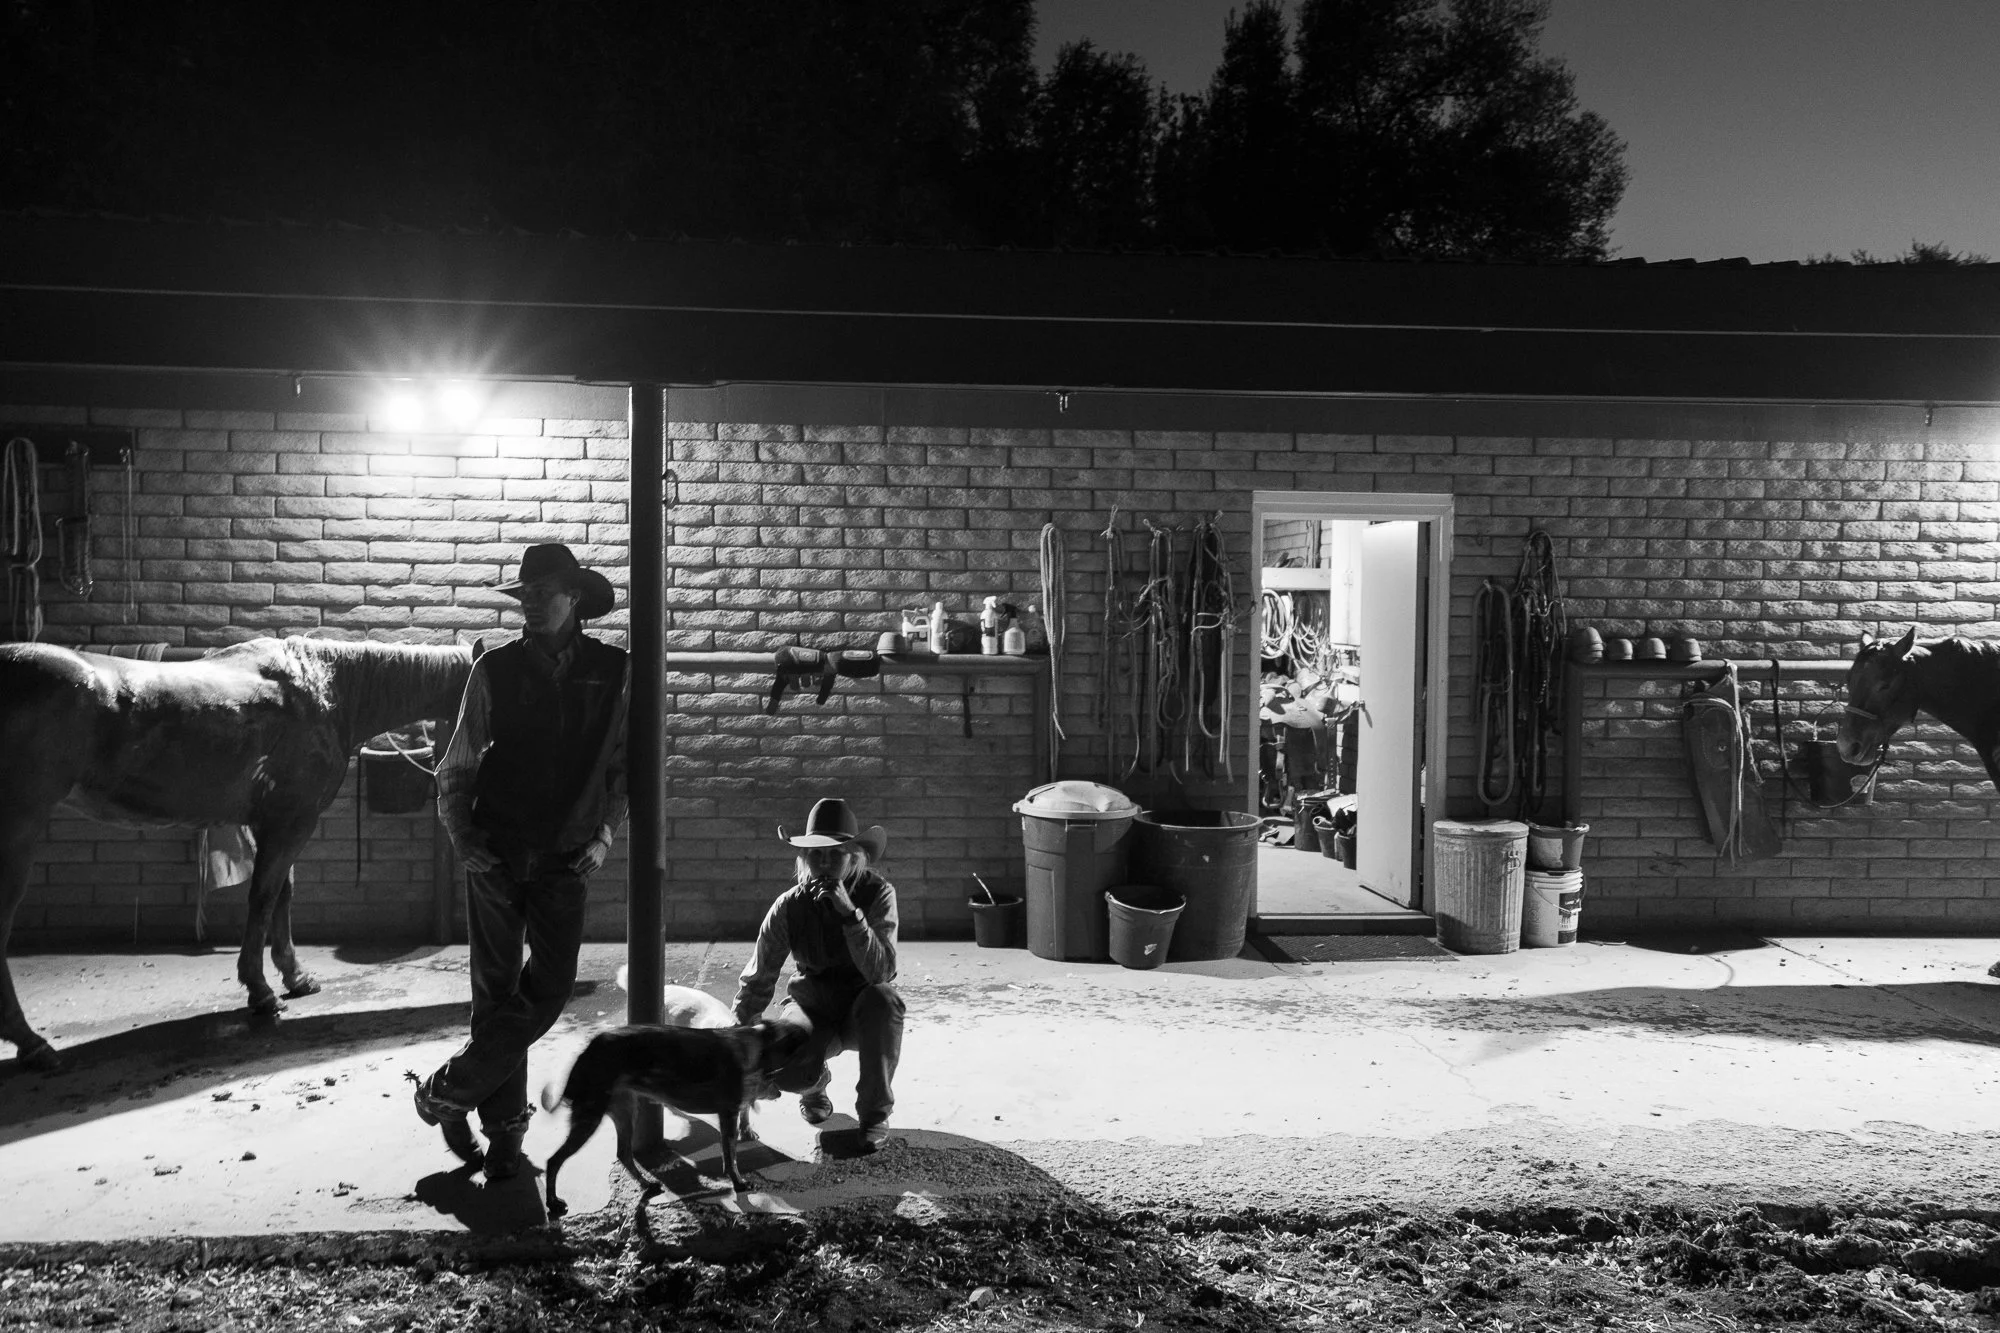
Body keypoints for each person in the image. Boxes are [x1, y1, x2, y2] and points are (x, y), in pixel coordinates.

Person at [412, 543, 629, 1180]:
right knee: (497, 991)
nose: (530, 604)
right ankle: (505, 1138)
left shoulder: (615, 671)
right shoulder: (494, 670)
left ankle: (451, 1091)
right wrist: (462, 835)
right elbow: (458, 762)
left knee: (552, 985)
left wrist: (606, 834)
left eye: (543, 593)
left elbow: (624, 766)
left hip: (568, 853)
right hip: (499, 852)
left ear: (576, 598)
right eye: (525, 594)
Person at [734, 797, 904, 1152]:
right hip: (812, 1003)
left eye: (835, 853)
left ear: (854, 855)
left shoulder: (878, 894)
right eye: (816, 854)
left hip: (861, 1006)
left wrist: (849, 914)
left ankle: (874, 1114)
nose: (824, 863)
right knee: (784, 1067)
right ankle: (815, 1084)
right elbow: (759, 975)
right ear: (804, 858)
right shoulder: (790, 905)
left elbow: (882, 971)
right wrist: (739, 1039)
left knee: (885, 1001)